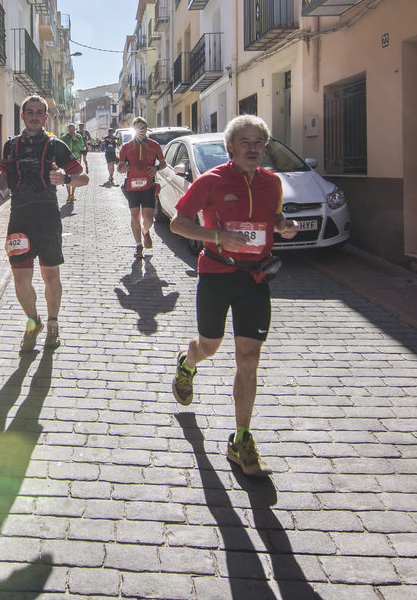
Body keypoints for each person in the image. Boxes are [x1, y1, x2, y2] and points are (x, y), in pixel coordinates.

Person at [168, 114, 298, 477]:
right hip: (216, 274)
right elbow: (178, 223)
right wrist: (217, 237)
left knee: (249, 358)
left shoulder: (273, 183)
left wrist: (284, 227)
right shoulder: (211, 181)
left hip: (255, 278)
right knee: (209, 346)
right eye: (245, 142)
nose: (253, 149)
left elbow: (273, 218)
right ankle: (188, 363)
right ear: (230, 147)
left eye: (259, 143)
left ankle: (241, 439)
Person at [0, 95, 88, 350]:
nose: (34, 116)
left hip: (47, 216)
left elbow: (83, 177)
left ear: (45, 117)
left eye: (39, 112)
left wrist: (65, 178)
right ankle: (34, 321)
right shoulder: (11, 145)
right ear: (22, 116)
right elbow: (4, 174)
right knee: (20, 280)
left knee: (50, 276)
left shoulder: (56, 146)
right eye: (29, 112)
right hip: (19, 217)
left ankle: (53, 323)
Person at [116, 116, 165, 258]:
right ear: (134, 129)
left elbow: (163, 163)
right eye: (138, 128)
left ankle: (145, 231)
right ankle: (138, 245)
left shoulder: (154, 145)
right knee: (134, 215)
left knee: (148, 219)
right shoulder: (126, 147)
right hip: (132, 187)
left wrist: (156, 168)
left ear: (146, 129)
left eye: (143, 128)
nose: (141, 130)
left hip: (148, 186)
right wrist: (122, 168)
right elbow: (119, 167)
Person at [61, 123, 86, 202]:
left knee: (75, 177)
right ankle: (69, 195)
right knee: (67, 177)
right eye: (70, 129)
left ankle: (73, 194)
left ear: (75, 129)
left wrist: (76, 140)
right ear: (68, 129)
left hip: (76, 158)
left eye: (73, 129)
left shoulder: (79, 136)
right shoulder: (64, 137)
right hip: (67, 160)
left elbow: (81, 147)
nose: (71, 130)